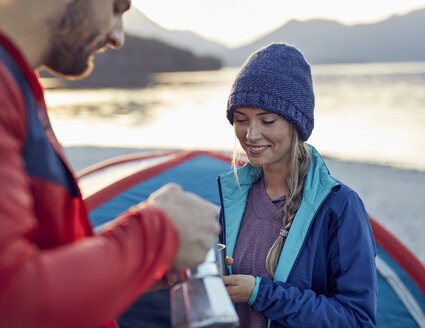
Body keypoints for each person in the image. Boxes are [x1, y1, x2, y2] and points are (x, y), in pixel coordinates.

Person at [0, 1, 220, 327]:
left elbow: (36, 257)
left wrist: (133, 265)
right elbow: (12, 300)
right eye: (116, 7)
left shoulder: (18, 84)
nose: (117, 36)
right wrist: (160, 232)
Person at [218, 43, 378, 327]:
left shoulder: (339, 207)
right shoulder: (235, 197)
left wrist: (259, 293)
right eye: (241, 120)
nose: (251, 134)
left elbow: (357, 319)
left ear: (296, 125)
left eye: (267, 120)